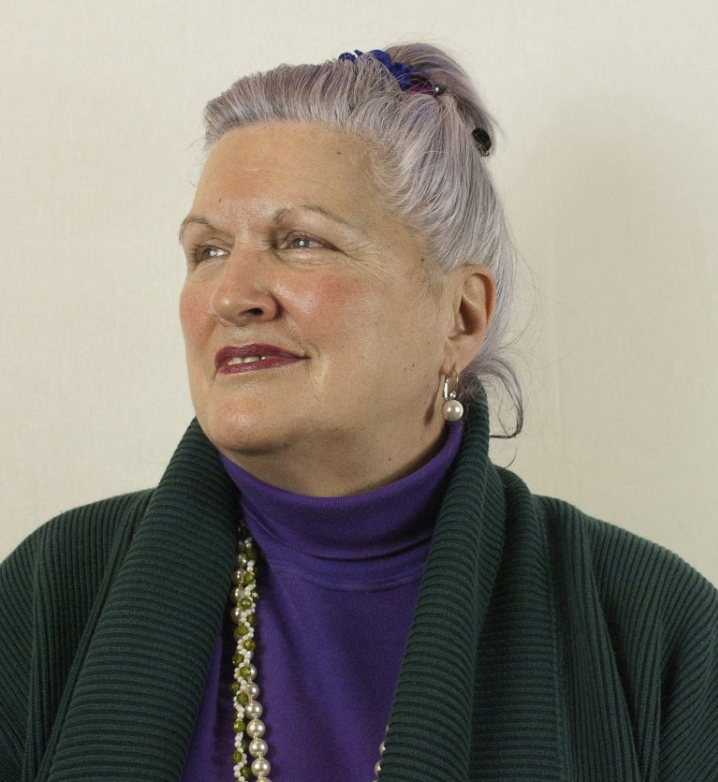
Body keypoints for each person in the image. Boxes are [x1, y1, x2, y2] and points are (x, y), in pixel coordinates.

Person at [1, 43, 717, 782]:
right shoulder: (49, 596)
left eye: (300, 241)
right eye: (207, 251)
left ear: (461, 316)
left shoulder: (655, 631)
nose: (232, 293)